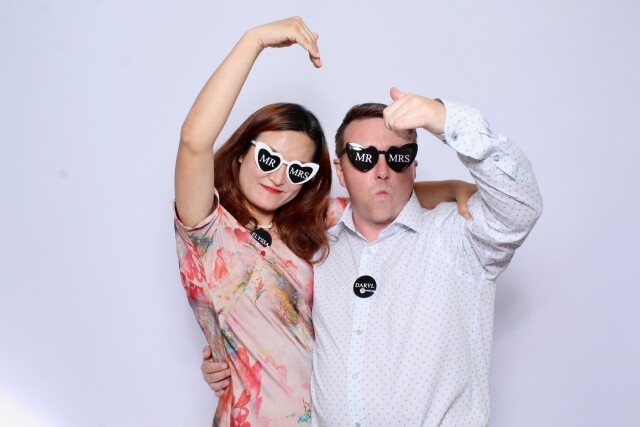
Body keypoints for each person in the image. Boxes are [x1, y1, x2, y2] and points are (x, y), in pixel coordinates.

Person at [175, 17, 477, 427]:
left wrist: (454, 187)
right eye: (269, 158)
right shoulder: (208, 232)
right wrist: (255, 40)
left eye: (298, 170)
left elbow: (377, 195)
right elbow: (194, 141)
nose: (279, 177)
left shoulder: (313, 224)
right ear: (243, 152)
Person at [202, 91, 542, 425]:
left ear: (413, 167)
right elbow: (275, 323)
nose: (382, 171)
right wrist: (228, 357)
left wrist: (446, 119)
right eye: (364, 157)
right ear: (341, 170)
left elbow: (521, 206)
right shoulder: (315, 244)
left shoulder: (458, 236)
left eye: (397, 157)